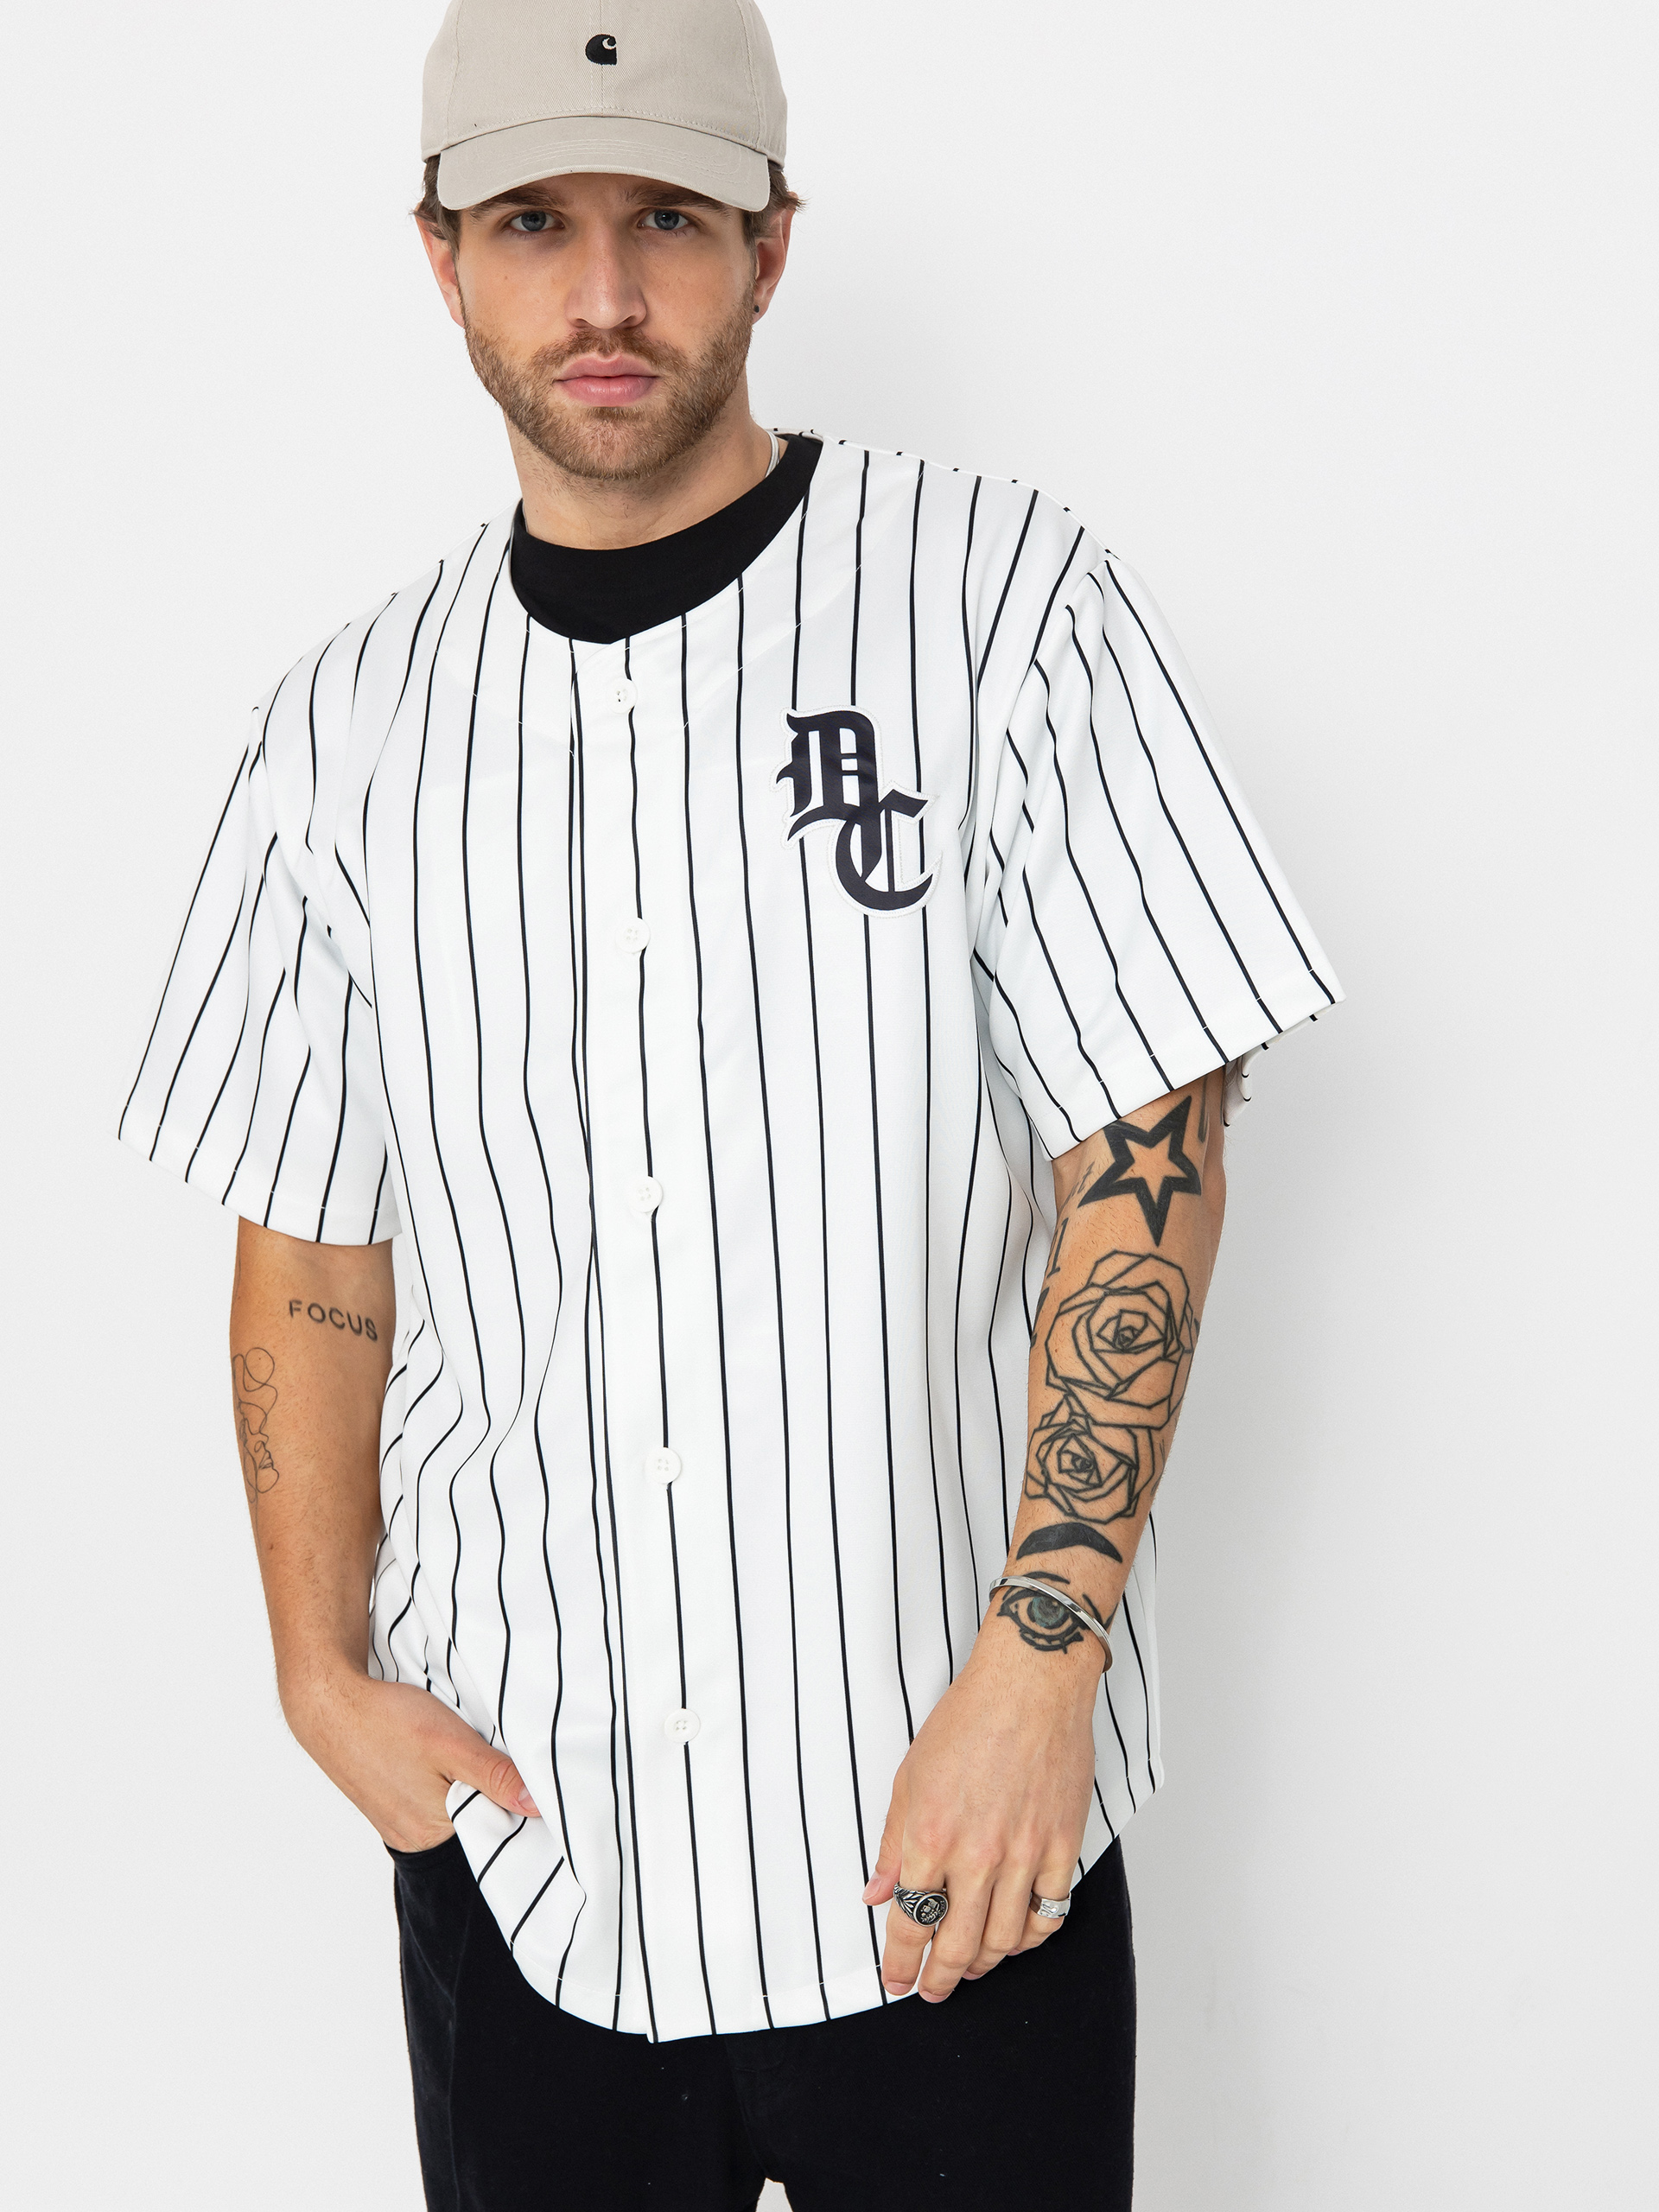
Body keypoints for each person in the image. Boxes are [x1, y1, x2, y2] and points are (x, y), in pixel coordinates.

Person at [118, 1, 1343, 2202]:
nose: (604, 292)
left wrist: (1039, 1667)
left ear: (771, 243)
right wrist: (318, 1674)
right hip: (532, 1856)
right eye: (535, 222)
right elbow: (309, 1246)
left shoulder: (1001, 606)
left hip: (959, 1845)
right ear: (441, 256)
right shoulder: (338, 738)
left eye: (668, 219)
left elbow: (1148, 1150)